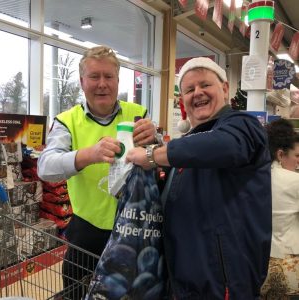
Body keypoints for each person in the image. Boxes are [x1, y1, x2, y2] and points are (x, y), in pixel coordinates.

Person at [126, 57, 272, 299]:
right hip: (185, 281)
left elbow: (225, 146)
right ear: (182, 100)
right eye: (189, 89)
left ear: (224, 89)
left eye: (205, 85)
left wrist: (152, 154)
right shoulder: (189, 144)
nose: (198, 93)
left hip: (223, 283)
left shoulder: (242, 125)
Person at [37, 45, 156, 299]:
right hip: (86, 234)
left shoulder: (139, 115)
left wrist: (155, 143)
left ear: (117, 80)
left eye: (108, 76)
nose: (102, 84)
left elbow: (161, 162)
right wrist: (88, 155)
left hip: (134, 228)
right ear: (82, 82)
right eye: (94, 76)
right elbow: (45, 167)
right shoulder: (66, 121)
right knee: (77, 293)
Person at [260, 118, 299, 299]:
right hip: (290, 265)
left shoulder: (256, 178)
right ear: (281, 154)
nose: (298, 162)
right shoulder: (294, 181)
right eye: (297, 156)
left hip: (259, 263)